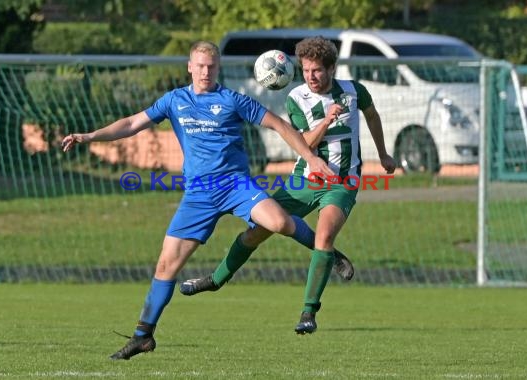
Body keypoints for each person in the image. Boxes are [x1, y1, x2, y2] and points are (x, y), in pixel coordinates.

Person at [61, 41, 337, 360]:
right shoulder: (174, 100)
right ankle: (142, 336)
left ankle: (331, 254)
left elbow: (279, 125)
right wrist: (90, 136)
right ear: (190, 67)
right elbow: (132, 124)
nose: (206, 72)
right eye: (200, 66)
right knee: (166, 265)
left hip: (235, 185)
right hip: (198, 195)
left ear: (217, 68)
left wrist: (310, 158)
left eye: (211, 66)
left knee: (279, 222)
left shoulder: (232, 100)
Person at [179, 36, 396, 334]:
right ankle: (216, 280)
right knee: (257, 232)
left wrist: (383, 153)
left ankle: (309, 313)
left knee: (324, 238)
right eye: (306, 71)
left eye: (317, 70)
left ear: (331, 68)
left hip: (342, 182)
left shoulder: (354, 91)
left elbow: (372, 115)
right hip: (302, 181)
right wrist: (326, 121)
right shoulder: (297, 97)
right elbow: (303, 143)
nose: (311, 77)